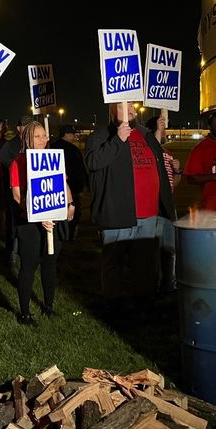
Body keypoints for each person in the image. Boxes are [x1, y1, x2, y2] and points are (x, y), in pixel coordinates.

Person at [85, 102, 176, 317]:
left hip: (149, 213)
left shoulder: (146, 134)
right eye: (123, 106)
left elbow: (160, 166)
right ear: (111, 110)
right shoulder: (101, 135)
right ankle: (113, 305)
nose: (131, 110)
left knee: (145, 264)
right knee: (113, 263)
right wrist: (118, 140)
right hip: (117, 212)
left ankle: (144, 303)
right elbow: (93, 162)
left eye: (133, 106)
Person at [10, 121, 74, 325]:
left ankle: (48, 306)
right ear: (28, 138)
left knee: (50, 264)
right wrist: (38, 215)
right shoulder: (18, 161)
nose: (42, 140)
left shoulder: (53, 159)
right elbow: (17, 194)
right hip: (30, 224)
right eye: (37, 136)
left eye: (44, 136)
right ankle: (25, 313)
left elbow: (63, 184)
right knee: (28, 267)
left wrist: (70, 204)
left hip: (52, 222)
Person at [145, 114, 181, 294]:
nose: (165, 133)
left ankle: (169, 284)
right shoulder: (147, 152)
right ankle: (152, 284)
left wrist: (177, 171)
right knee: (152, 250)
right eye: (162, 129)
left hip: (167, 207)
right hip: (152, 207)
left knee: (170, 248)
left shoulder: (168, 154)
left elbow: (174, 184)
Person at [0, 115, 34, 263]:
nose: (28, 129)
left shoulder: (35, 144)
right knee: (14, 224)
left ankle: (26, 252)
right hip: (15, 192)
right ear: (19, 128)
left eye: (30, 126)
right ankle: (11, 254)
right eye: (25, 126)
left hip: (32, 192)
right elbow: (7, 165)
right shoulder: (10, 145)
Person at [50, 124, 88, 240]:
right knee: (73, 214)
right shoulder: (73, 150)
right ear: (66, 135)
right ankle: (69, 235)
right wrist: (84, 184)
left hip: (55, 187)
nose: (74, 137)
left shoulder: (51, 147)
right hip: (73, 188)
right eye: (72, 134)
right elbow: (80, 169)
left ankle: (58, 234)